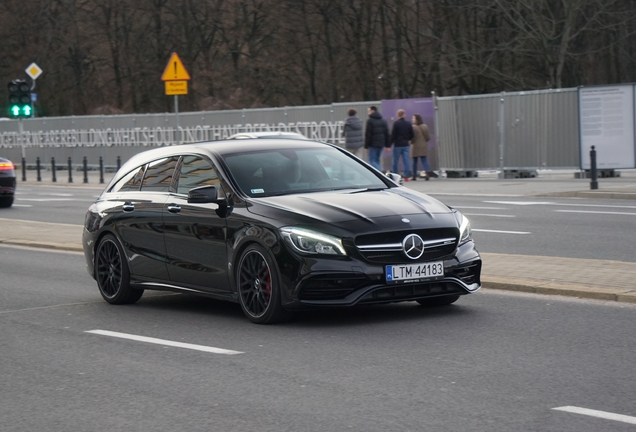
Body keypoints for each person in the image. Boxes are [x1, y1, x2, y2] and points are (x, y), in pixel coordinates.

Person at [390, 109, 414, 180]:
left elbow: (393, 135)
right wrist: (407, 139)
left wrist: (389, 144)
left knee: (395, 161)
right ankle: (406, 176)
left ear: (398, 115)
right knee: (406, 161)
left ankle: (395, 176)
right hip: (406, 144)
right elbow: (412, 134)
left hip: (397, 145)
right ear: (404, 115)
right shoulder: (408, 123)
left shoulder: (396, 124)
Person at [364, 106, 390, 171]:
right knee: (377, 160)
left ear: (372, 111)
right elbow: (387, 133)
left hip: (372, 144)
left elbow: (368, 134)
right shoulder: (383, 120)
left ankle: (380, 171)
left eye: (369, 111)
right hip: (381, 143)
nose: (368, 113)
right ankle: (378, 175)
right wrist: (387, 145)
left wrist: (366, 146)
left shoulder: (370, 121)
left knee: (372, 160)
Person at [410, 113, 431, 180]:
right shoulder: (425, 126)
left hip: (415, 146)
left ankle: (414, 175)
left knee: (415, 161)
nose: (412, 119)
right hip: (423, 145)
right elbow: (428, 137)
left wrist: (411, 142)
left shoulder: (413, 127)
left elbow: (412, 137)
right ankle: (427, 173)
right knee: (424, 160)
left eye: (413, 118)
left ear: (416, 119)